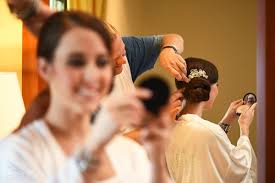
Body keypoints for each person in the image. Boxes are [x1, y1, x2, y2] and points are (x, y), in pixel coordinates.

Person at [0, 11, 172, 183]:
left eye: (102, 62)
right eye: (77, 62)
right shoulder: (19, 153)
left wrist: (156, 159)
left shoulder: (131, 153)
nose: (92, 76)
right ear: (46, 68)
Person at [165, 57, 257, 183]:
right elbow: (240, 169)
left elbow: (209, 146)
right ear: (209, 88)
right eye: (217, 85)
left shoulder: (167, 127)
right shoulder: (209, 132)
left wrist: (226, 121)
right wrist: (244, 128)